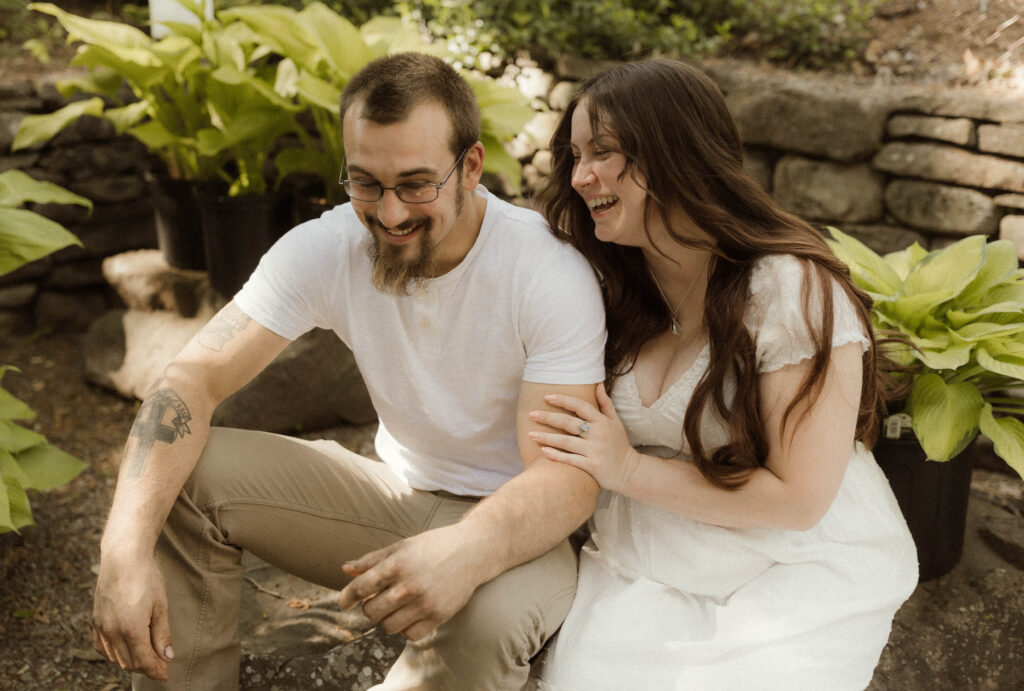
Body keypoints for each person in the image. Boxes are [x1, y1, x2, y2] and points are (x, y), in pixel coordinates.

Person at [91, 52, 607, 690]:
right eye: (366, 183)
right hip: (396, 499)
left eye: (416, 184)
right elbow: (190, 381)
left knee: (488, 622)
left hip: (526, 528)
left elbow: (567, 477)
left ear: (471, 166)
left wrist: (464, 552)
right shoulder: (329, 245)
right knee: (180, 472)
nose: (389, 214)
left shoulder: (546, 271)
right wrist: (122, 551)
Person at [529, 59, 918, 690]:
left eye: (602, 152)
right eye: (574, 156)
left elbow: (800, 501)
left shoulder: (790, 290)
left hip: (796, 568)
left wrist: (626, 469)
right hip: (644, 567)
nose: (579, 177)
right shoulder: (611, 289)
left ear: (674, 152)